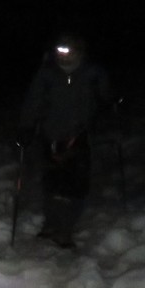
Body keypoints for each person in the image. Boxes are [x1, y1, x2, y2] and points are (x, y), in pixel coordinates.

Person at [17, 31, 114, 248]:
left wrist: (111, 103)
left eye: (68, 52)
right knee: (52, 182)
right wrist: (26, 126)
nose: (63, 57)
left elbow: (105, 97)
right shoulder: (47, 74)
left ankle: (66, 229)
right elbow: (33, 101)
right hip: (50, 136)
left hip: (79, 137)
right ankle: (51, 224)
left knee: (75, 185)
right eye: (59, 51)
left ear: (79, 52)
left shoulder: (92, 73)